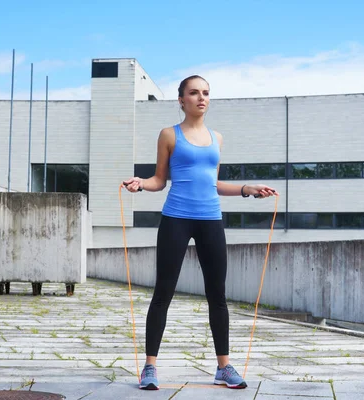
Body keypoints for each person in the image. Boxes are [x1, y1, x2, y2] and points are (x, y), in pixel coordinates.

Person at [123, 75, 277, 390]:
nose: (201, 98)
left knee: (217, 296)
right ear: (181, 100)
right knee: (163, 293)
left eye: (206, 93)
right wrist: (141, 183)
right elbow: (159, 180)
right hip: (176, 218)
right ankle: (149, 368)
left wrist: (248, 188)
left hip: (210, 219)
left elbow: (213, 183)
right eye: (194, 93)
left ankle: (224, 367)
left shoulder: (217, 138)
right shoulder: (169, 135)